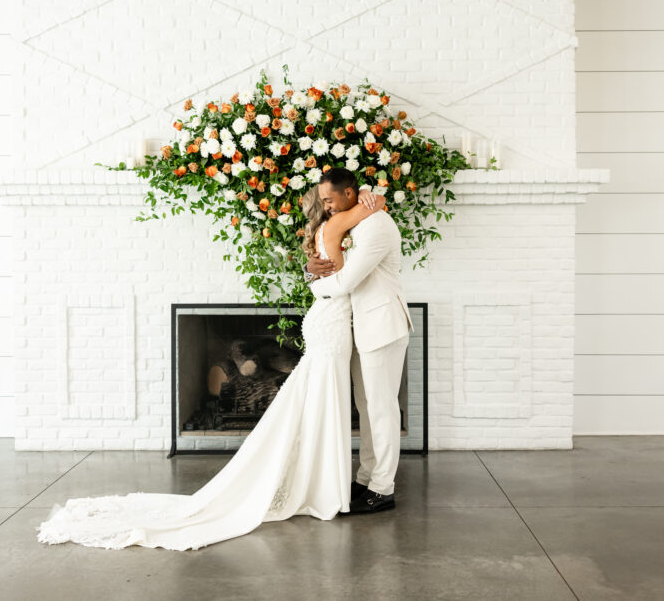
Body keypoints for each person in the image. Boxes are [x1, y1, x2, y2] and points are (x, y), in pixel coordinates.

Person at [35, 185, 386, 551]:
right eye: (327, 201)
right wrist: (371, 196)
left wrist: (363, 198)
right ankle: (324, 487)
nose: (331, 205)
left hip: (328, 320)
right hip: (331, 321)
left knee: (318, 401)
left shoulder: (327, 230)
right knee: (322, 398)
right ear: (328, 205)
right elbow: (370, 213)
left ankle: (321, 480)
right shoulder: (334, 226)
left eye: (332, 200)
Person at [305, 167, 413, 515]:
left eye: (330, 199)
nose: (327, 207)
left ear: (350, 194)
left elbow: (348, 280)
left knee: (382, 409)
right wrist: (311, 270)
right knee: (366, 408)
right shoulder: (356, 220)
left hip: (382, 326)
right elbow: (333, 265)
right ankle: (366, 476)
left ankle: (383, 488)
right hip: (359, 327)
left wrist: (313, 287)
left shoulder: (377, 226)